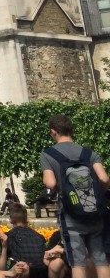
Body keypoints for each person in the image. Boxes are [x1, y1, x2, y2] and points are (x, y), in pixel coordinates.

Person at [40, 114, 110, 278]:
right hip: (95, 212)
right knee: (101, 259)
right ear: (71, 130)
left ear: (53, 132)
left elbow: (50, 183)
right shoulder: (89, 153)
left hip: (71, 214)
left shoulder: (48, 154)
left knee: (77, 262)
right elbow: (104, 178)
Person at [5, 202, 62, 278]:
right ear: (26, 218)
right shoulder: (39, 236)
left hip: (23, 272)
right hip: (43, 272)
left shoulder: (8, 236)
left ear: (11, 220)